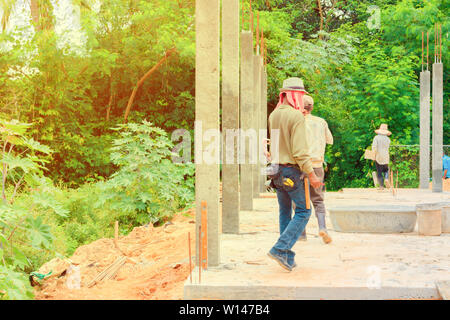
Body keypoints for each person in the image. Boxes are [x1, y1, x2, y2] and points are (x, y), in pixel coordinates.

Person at [267, 77, 323, 272]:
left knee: (285, 211)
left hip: (276, 170)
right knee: (304, 211)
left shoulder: (274, 115)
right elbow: (299, 152)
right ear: (295, 95)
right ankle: (280, 248)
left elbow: (274, 146)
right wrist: (312, 174)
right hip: (291, 170)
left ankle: (286, 254)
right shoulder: (296, 116)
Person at [297, 95, 333, 244]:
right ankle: (322, 228)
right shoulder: (321, 122)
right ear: (311, 107)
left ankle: (302, 234)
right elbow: (330, 140)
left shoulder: (297, 122)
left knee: (299, 201)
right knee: (318, 200)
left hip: (300, 166)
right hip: (317, 166)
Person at [372, 124, 391, 190]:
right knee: (386, 170)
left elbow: (374, 147)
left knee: (379, 171)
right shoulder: (388, 139)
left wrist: (373, 156)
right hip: (386, 155)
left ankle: (381, 186)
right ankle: (386, 178)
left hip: (378, 156)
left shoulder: (376, 138)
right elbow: (388, 147)